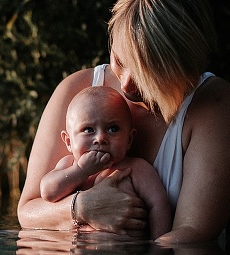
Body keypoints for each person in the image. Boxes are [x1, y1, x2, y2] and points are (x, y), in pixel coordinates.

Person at [17, 0, 230, 245]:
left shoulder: (214, 104)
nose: (126, 85)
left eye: (145, 72)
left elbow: (192, 235)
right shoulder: (77, 90)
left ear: (181, 65)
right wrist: (82, 208)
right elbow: (29, 211)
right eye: (119, 60)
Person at [40, 85, 171, 240]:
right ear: (68, 141)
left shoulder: (136, 169)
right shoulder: (69, 166)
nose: (101, 138)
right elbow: (48, 192)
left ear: (129, 139)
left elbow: (159, 206)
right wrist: (80, 171)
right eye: (88, 130)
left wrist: (158, 250)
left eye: (113, 129)